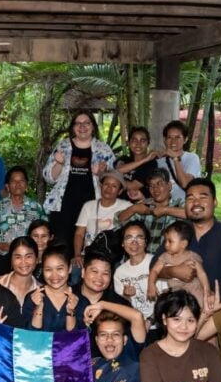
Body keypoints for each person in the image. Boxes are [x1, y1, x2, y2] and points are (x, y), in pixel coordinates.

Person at [42, 110, 116, 251]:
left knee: (90, 249)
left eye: (86, 123)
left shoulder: (104, 150)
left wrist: (102, 173)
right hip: (63, 208)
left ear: (93, 126)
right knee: (61, 249)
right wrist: (58, 164)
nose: (82, 127)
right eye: (78, 123)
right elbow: (48, 177)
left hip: (92, 208)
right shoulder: (63, 146)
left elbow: (115, 181)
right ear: (73, 127)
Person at [182, 178, 221, 302]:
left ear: (215, 202)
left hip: (218, 310)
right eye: (190, 198)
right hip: (179, 309)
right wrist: (173, 271)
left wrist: (215, 301)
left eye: (203, 197)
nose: (196, 203)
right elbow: (156, 264)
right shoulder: (178, 232)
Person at [0, 166, 47, 274]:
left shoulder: (36, 208)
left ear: (26, 185)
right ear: (7, 186)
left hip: (29, 256)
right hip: (2, 254)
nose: (18, 184)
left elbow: (45, 232)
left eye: (21, 181)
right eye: (13, 181)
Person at [72, 171, 135, 271]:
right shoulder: (89, 206)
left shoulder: (126, 206)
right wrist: (77, 254)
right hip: (89, 255)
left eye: (114, 186)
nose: (109, 188)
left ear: (119, 191)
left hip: (113, 257)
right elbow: (79, 233)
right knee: (76, 269)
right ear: (101, 186)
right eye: (106, 184)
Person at [123, 169, 185, 254]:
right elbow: (119, 220)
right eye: (151, 186)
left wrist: (165, 210)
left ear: (169, 185)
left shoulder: (179, 203)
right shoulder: (145, 204)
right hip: (142, 258)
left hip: (169, 259)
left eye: (159, 184)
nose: (155, 188)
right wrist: (134, 208)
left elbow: (191, 214)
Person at [147, 220, 209, 306]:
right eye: (165, 241)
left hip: (194, 291)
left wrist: (207, 292)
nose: (166, 244)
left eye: (170, 241)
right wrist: (151, 284)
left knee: (199, 306)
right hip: (175, 292)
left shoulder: (192, 257)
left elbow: (202, 274)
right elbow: (154, 270)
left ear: (183, 244)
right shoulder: (165, 256)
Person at [114, 221, 162, 325]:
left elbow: (167, 297)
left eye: (139, 237)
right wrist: (126, 296)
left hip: (158, 325)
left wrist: (150, 321)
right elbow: (121, 307)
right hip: (133, 325)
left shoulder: (156, 262)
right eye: (129, 237)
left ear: (146, 242)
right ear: (122, 243)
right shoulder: (119, 272)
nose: (134, 242)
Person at [23, 245, 78, 332]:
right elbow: (30, 337)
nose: (54, 275)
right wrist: (39, 307)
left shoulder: (79, 299)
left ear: (70, 268)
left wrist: (71, 311)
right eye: (48, 270)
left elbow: (77, 340)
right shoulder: (32, 297)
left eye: (59, 269)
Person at [154, 120, 201, 202]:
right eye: (169, 137)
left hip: (186, 206)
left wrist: (176, 158)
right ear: (164, 140)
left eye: (178, 137)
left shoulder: (192, 158)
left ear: (185, 139)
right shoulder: (159, 162)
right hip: (165, 207)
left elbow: (185, 183)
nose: (173, 141)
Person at [114, 126, 160, 201]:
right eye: (134, 140)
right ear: (128, 143)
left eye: (142, 141)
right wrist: (145, 159)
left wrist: (114, 180)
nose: (138, 144)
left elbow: (133, 186)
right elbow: (119, 169)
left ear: (148, 143)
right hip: (117, 203)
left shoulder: (151, 164)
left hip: (137, 206)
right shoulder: (124, 159)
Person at [0, 236, 40, 306]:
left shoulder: (41, 290)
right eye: (18, 257)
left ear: (37, 259)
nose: (23, 262)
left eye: (28, 256)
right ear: (11, 260)